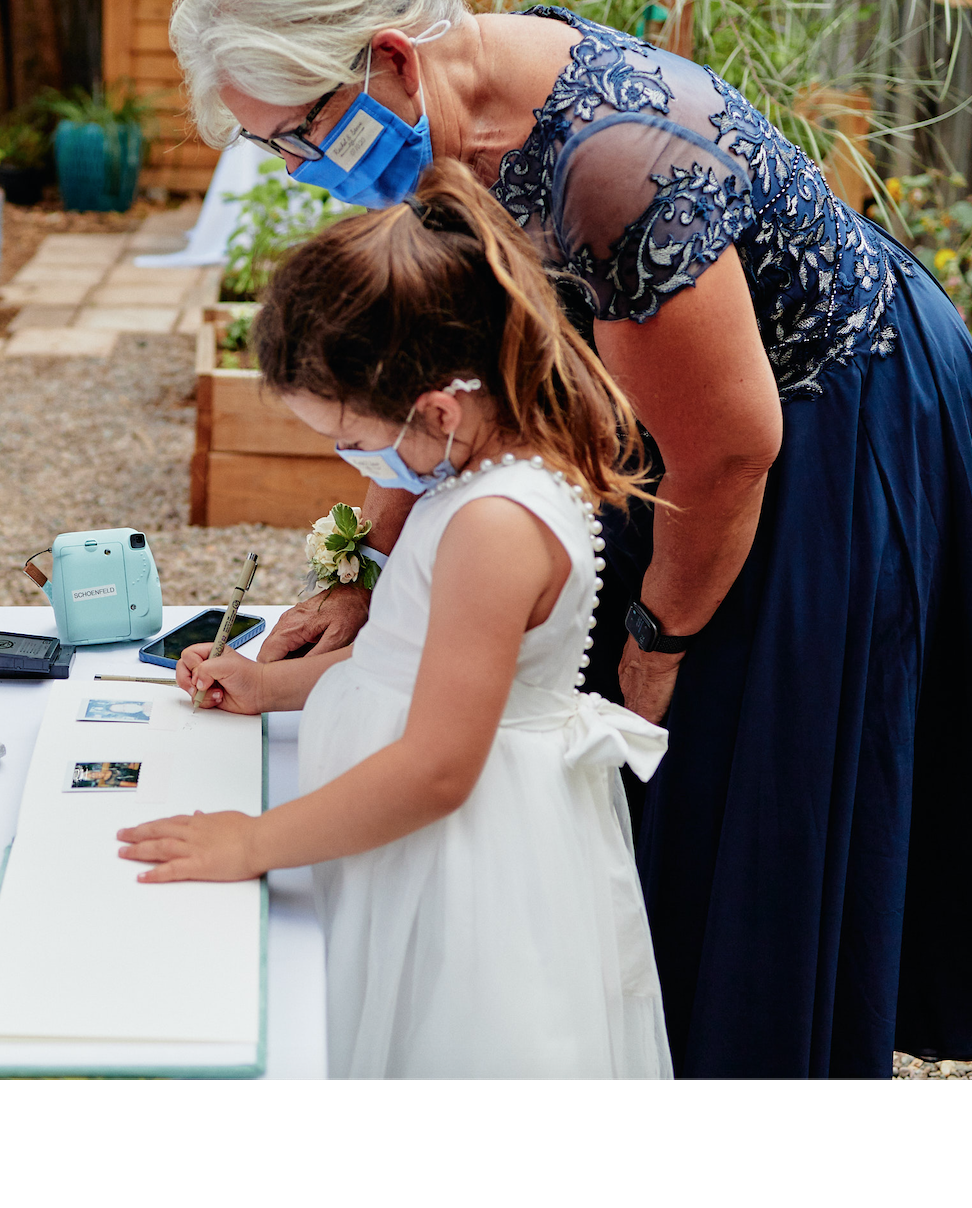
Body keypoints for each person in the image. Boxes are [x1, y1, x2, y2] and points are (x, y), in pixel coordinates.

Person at [165, 0, 972, 1081]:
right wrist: (365, 568)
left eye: (293, 138)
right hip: (692, 415)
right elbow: (424, 375)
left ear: (384, 60)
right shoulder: (442, 120)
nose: (296, 171)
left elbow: (732, 448)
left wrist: (655, 640)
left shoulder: (611, 161)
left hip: (825, 418)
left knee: (729, 770)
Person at [120, 163, 672, 1080]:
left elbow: (437, 767)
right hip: (419, 851)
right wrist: (270, 685)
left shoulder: (494, 526)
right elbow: (403, 660)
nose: (354, 462)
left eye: (357, 440)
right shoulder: (469, 483)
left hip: (463, 873)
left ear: (438, 409)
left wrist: (252, 841)